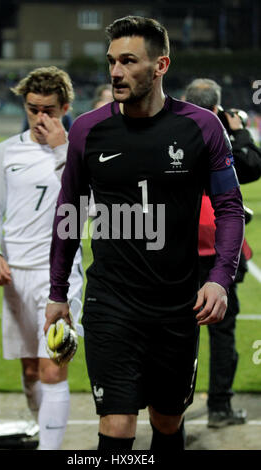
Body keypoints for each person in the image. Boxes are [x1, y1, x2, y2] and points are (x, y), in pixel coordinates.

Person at [44, 16, 244, 451]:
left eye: (128, 61)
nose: (115, 71)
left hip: (177, 304)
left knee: (168, 423)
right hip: (111, 301)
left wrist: (219, 278)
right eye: (112, 61)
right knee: (117, 428)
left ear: (160, 65)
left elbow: (230, 208)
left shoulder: (201, 128)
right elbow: (69, 212)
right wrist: (58, 292)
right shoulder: (87, 131)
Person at [0, 66, 84, 450]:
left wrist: (60, 147)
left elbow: (89, 205)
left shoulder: (78, 151)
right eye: (33, 109)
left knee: (52, 368)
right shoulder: (5, 152)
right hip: (15, 275)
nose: (40, 118)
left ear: (66, 106)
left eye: (49, 110)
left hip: (60, 277)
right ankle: (45, 434)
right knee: (29, 369)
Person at [184, 78, 261, 428]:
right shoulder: (220, 136)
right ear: (216, 107)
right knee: (222, 328)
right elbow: (252, 165)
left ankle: (172, 407)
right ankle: (219, 407)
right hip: (219, 247)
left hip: (177, 248)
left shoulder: (170, 132)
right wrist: (240, 130)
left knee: (178, 332)